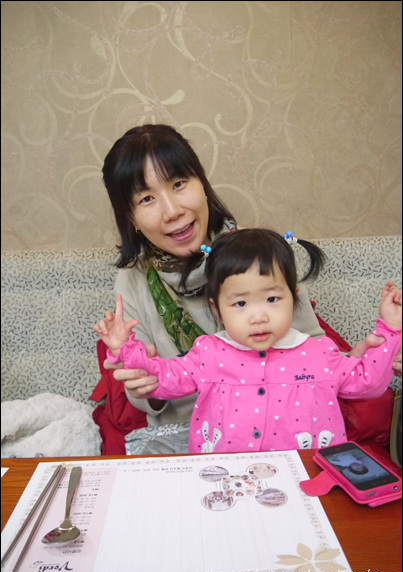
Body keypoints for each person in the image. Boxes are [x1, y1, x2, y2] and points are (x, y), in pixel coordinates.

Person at [98, 124, 401, 454]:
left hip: (282, 432)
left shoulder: (258, 255)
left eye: (179, 184)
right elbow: (150, 387)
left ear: (202, 183)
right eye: (147, 198)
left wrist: (355, 359)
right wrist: (144, 380)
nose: (172, 211)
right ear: (131, 217)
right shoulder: (134, 279)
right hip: (192, 439)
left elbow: (311, 353)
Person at [93, 228, 402, 453]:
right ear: (217, 309)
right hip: (226, 480)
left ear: (294, 298)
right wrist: (125, 349)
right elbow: (163, 379)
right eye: (240, 303)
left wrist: (391, 330)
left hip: (305, 479)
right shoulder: (208, 353)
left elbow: (369, 383)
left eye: (272, 299)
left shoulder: (318, 352)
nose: (258, 317)